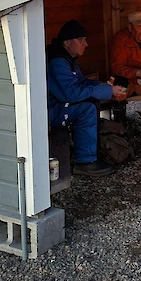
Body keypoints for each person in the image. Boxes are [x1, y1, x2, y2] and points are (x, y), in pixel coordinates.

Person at [47, 20, 127, 177]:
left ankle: (91, 152)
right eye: (81, 40)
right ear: (67, 42)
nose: (86, 44)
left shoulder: (66, 57)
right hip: (47, 111)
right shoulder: (57, 61)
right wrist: (105, 90)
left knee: (91, 102)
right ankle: (86, 162)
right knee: (87, 109)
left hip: (56, 105)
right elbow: (70, 93)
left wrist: (102, 85)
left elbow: (79, 82)